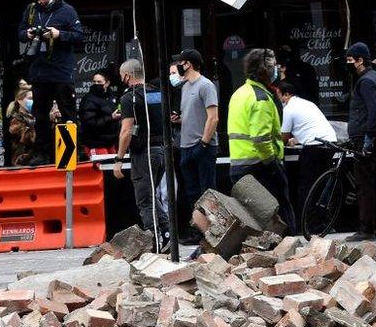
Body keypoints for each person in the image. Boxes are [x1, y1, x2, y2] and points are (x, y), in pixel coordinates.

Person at [16, 0, 84, 165]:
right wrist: (28, 33)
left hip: (61, 71)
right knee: (40, 115)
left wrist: (59, 34)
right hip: (39, 71)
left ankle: (72, 151)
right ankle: (42, 153)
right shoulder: (31, 10)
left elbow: (79, 36)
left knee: (68, 113)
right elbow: (19, 33)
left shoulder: (67, 11)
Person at [228, 49, 296, 234]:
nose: (277, 69)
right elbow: (261, 139)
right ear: (263, 70)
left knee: (256, 219)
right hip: (260, 167)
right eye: (273, 66)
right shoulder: (261, 99)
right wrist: (273, 165)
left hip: (239, 165)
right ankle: (291, 251)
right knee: (280, 210)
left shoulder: (240, 93)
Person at [113, 60, 169, 249]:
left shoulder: (129, 98)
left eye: (122, 76)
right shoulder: (157, 93)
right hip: (162, 151)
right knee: (152, 196)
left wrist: (119, 159)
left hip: (143, 153)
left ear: (127, 76)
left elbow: (126, 131)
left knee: (145, 199)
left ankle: (154, 240)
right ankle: (167, 233)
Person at [171, 49, 219, 242]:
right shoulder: (184, 87)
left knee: (207, 191)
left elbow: (213, 117)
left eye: (180, 63)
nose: (178, 67)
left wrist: (204, 144)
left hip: (202, 146)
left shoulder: (205, 85)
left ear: (188, 64)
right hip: (186, 145)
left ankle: (213, 232)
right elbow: (194, 114)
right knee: (191, 192)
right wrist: (180, 119)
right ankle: (198, 231)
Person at [344, 42, 376, 242]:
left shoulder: (366, 82)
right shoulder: (374, 78)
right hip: (375, 137)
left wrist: (367, 141)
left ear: (360, 60)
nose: (348, 64)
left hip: (366, 139)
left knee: (365, 185)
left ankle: (366, 229)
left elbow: (375, 112)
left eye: (351, 60)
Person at [278, 81, 336, 232]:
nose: (279, 100)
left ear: (286, 94)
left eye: (279, 96)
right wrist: (296, 139)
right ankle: (324, 222)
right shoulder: (307, 104)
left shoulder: (289, 109)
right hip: (328, 144)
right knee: (322, 186)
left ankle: (307, 225)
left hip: (315, 148)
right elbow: (309, 126)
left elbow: (282, 137)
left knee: (307, 188)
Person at [79, 71, 121, 154]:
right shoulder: (88, 99)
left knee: (114, 166)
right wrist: (111, 118)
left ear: (107, 83)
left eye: (99, 82)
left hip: (110, 143)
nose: (96, 84)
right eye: (94, 82)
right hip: (95, 143)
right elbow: (90, 123)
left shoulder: (111, 97)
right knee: (101, 166)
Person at [7, 85, 36, 166]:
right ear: (20, 100)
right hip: (21, 162)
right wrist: (43, 126)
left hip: (34, 162)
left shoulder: (35, 116)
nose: (33, 101)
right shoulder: (15, 119)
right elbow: (29, 138)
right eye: (30, 99)